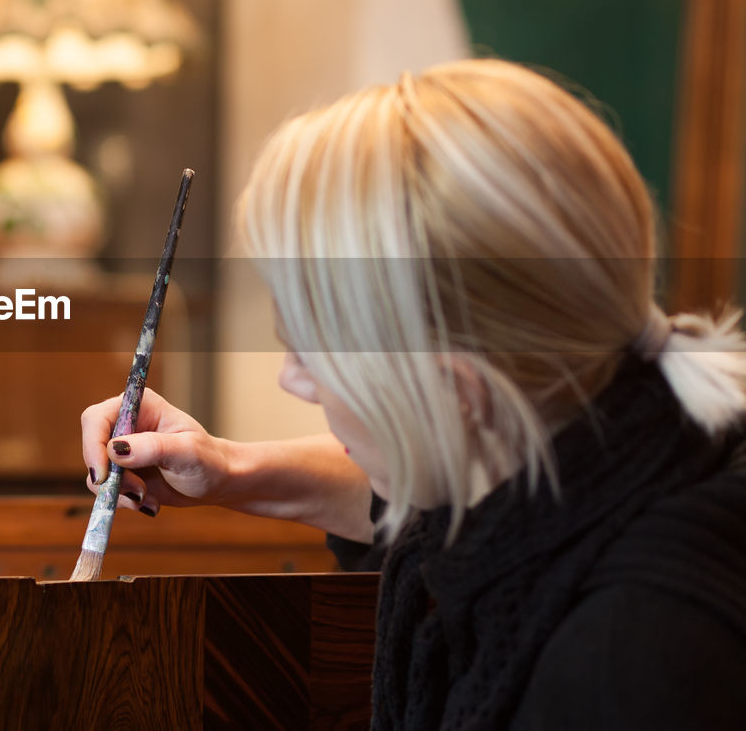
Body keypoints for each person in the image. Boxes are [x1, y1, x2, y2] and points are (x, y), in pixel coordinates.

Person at [81, 59, 746, 729]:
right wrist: (222, 467)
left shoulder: (629, 662)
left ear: (454, 389)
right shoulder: (614, 438)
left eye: (311, 354)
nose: (292, 379)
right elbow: (408, 497)